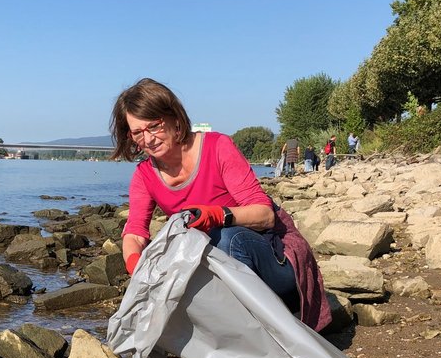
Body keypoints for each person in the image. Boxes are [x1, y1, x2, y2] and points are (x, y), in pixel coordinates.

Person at [110, 78, 331, 330]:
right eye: (137, 132)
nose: (148, 139)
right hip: (220, 273)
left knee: (228, 237)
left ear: (175, 119)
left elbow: (265, 215)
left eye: (155, 126)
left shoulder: (217, 147)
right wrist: (136, 267)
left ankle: (252, 336)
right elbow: (135, 232)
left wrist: (218, 214)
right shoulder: (144, 175)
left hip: (276, 265)